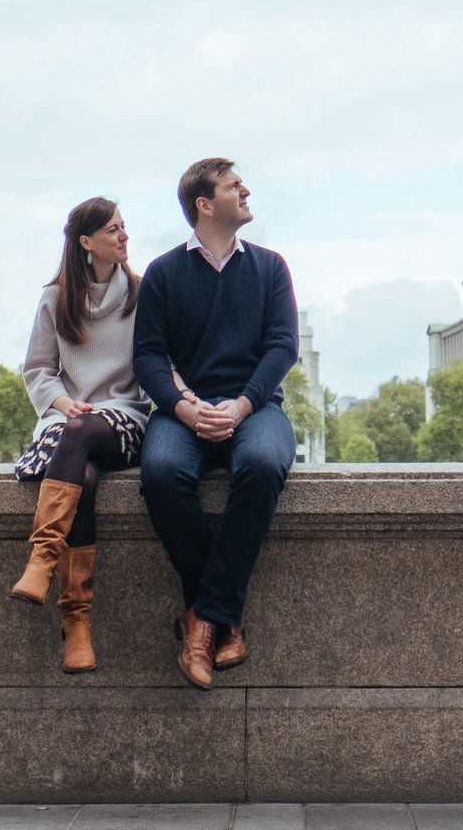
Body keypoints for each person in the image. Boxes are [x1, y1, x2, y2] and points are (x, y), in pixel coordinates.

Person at [132, 157, 299, 689]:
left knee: (263, 461)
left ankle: (201, 620)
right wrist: (184, 408)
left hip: (255, 409)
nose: (246, 190)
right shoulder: (163, 273)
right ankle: (223, 619)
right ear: (205, 205)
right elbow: (149, 358)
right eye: (233, 186)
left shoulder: (270, 267)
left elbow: (282, 347)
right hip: (183, 412)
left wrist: (244, 405)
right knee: (159, 475)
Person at [11, 195, 153, 673]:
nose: (124, 236)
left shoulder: (142, 294)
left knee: (83, 434)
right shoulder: (55, 298)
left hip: (123, 419)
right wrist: (67, 402)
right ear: (86, 242)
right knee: (84, 479)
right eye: (114, 230)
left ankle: (42, 560)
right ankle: (76, 623)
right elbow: (37, 370)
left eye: (124, 227)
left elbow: (155, 364)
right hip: (67, 420)